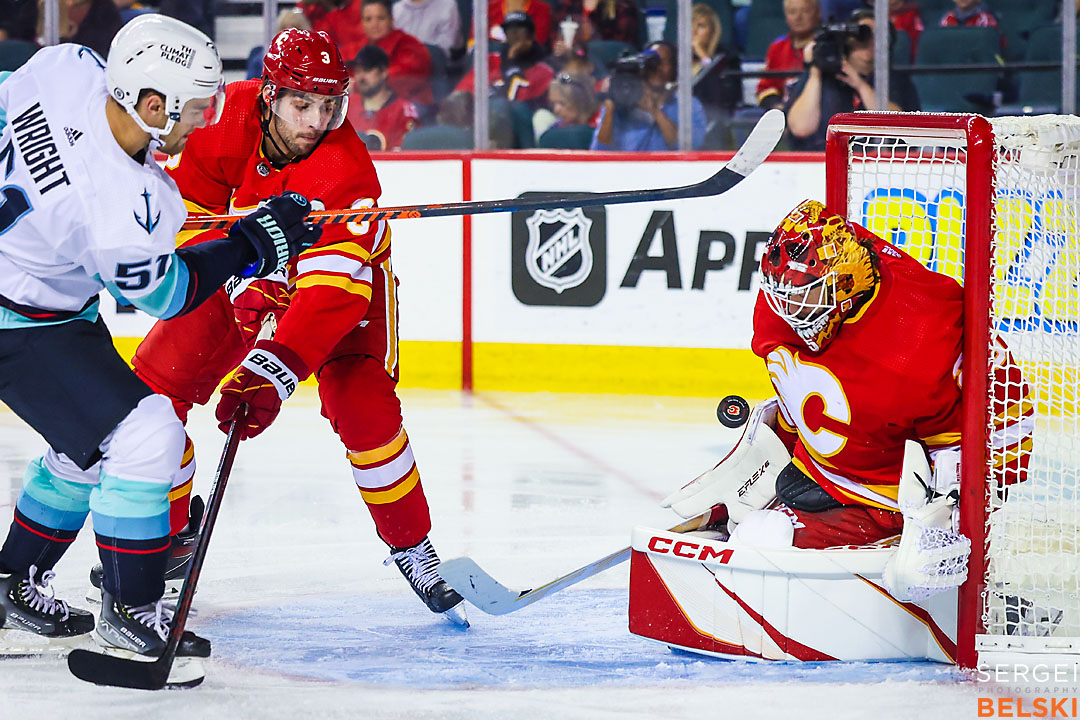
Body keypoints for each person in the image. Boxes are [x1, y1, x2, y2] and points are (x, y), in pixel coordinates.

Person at [114, 28, 469, 627]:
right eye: (302, 104)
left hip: (346, 287)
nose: (317, 120)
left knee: (362, 407)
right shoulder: (221, 123)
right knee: (153, 393)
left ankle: (414, 547)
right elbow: (190, 219)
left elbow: (330, 295)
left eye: (330, 105)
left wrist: (274, 370)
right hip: (246, 272)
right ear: (269, 96)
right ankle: (170, 535)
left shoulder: (347, 171)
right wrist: (236, 279)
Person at [0, 16, 317, 680]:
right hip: (21, 323)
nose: (203, 123)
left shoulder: (64, 70)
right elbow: (170, 296)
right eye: (196, 109)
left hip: (37, 298)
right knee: (148, 436)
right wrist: (257, 244)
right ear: (151, 105)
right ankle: (130, 608)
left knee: (87, 447)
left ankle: (11, 583)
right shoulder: (123, 202)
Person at [662, 199, 1032, 600]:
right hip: (835, 468)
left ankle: (947, 572)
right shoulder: (798, 294)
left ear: (844, 286)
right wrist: (767, 456)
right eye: (783, 295)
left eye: (806, 296)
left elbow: (960, 454)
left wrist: (939, 528)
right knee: (756, 535)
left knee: (761, 541)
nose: (789, 309)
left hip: (898, 489)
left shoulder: (919, 343)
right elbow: (806, 384)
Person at [785, 11, 919, 151]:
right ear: (848, 39)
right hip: (821, 162)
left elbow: (897, 126)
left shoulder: (894, 80)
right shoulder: (819, 76)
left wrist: (860, 85)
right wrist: (815, 72)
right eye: (864, 34)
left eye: (878, 35)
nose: (870, 40)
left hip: (879, 164)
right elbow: (801, 128)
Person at [591, 41, 707, 151]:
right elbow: (599, 149)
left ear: (674, 70)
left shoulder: (689, 105)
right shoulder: (622, 99)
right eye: (652, 62)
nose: (657, 67)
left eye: (665, 62)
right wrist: (610, 107)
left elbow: (690, 146)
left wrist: (655, 111)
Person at [452, 11, 555, 107]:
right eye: (509, 29)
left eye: (520, 28)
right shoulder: (491, 60)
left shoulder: (544, 70)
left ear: (531, 35)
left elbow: (516, 101)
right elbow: (463, 92)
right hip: (480, 118)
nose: (514, 33)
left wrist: (512, 61)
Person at [358, 0, 434, 107]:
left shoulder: (411, 46)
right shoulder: (359, 47)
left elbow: (401, 77)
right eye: (368, 19)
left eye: (381, 18)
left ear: (391, 20)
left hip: (411, 107)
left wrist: (357, 85)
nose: (374, 25)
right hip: (371, 108)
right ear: (362, 23)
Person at [347, 45, 422, 150]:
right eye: (358, 71)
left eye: (367, 70)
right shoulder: (348, 104)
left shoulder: (403, 110)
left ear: (384, 72)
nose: (361, 77)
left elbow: (405, 155)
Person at [757, 0, 820, 111]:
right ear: (786, 16)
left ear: (817, 13)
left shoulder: (825, 46)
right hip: (783, 113)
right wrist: (778, 107)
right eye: (792, 12)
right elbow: (766, 88)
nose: (798, 17)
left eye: (805, 11)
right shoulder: (777, 47)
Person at [690, 3, 742, 119]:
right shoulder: (677, 58)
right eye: (690, 25)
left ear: (713, 31)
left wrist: (703, 57)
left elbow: (723, 96)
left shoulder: (727, 59)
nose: (694, 31)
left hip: (713, 116)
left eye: (701, 26)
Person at [550, 0, 640, 59]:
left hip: (605, 66)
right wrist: (558, 46)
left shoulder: (623, 6)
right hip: (567, 62)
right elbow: (554, 36)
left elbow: (621, 48)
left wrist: (578, 51)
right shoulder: (567, 5)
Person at [393, 0, 462, 54]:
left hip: (434, 64)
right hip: (399, 62)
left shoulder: (448, 6)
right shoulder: (397, 9)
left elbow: (445, 47)